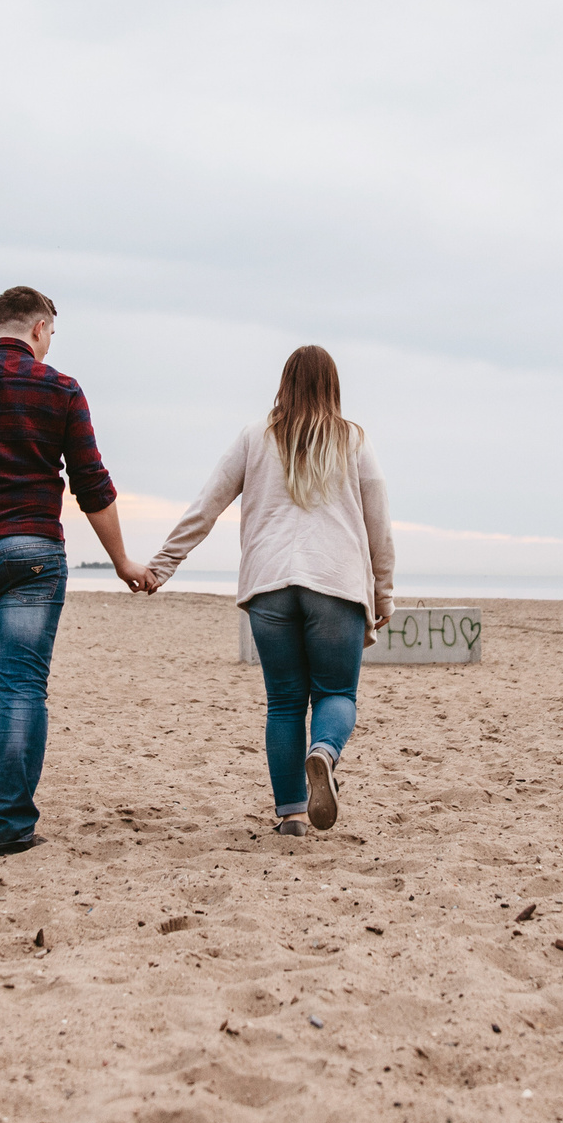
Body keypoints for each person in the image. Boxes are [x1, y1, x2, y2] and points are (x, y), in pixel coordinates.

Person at [0, 287, 147, 856]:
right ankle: (11, 825)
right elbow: (92, 485)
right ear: (39, 328)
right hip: (31, 553)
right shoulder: (60, 388)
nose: (50, 343)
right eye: (52, 333)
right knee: (22, 685)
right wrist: (121, 561)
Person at [139, 346, 394, 837]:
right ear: (333, 386)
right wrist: (383, 594)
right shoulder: (354, 440)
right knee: (336, 693)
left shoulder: (254, 437)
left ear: (284, 383)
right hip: (334, 583)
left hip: (269, 584)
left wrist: (162, 566)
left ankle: (292, 816)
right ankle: (323, 752)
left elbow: (207, 504)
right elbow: (378, 522)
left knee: (284, 703)